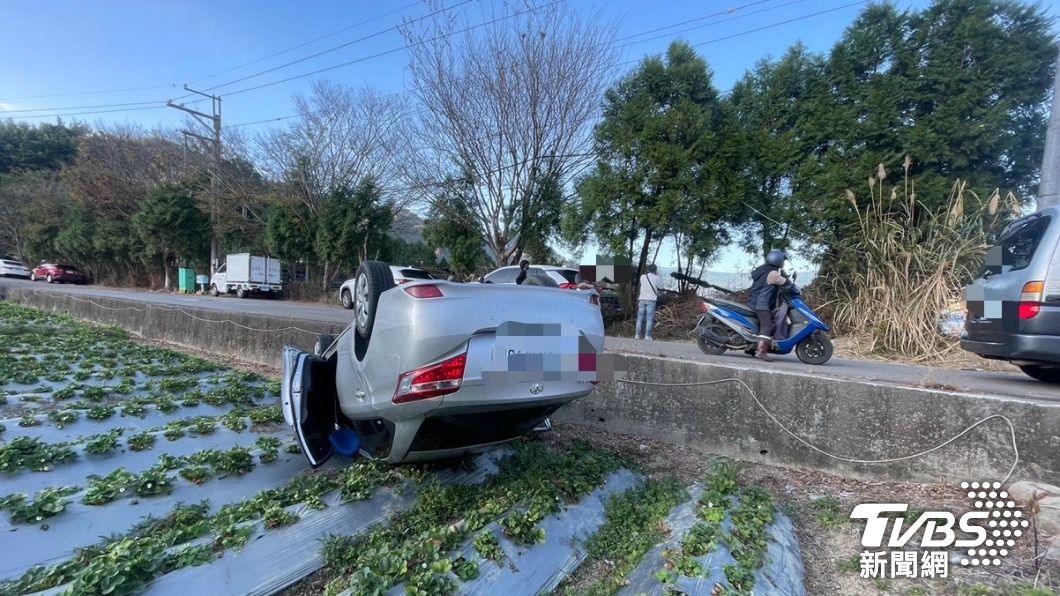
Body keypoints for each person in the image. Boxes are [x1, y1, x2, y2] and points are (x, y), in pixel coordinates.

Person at [746, 249, 789, 361]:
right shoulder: (773, 273)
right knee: (767, 326)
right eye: (783, 260)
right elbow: (784, 282)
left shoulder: (763, 270)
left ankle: (751, 347)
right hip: (761, 304)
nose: (783, 263)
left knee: (760, 325)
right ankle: (761, 352)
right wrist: (791, 285)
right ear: (778, 261)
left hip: (754, 302)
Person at [635, 263, 662, 341]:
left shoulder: (642, 277)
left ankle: (637, 335)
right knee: (649, 319)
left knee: (639, 318)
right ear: (655, 270)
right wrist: (658, 275)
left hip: (642, 299)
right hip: (651, 300)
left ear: (648, 269)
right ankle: (647, 336)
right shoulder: (656, 278)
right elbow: (661, 286)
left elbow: (642, 284)